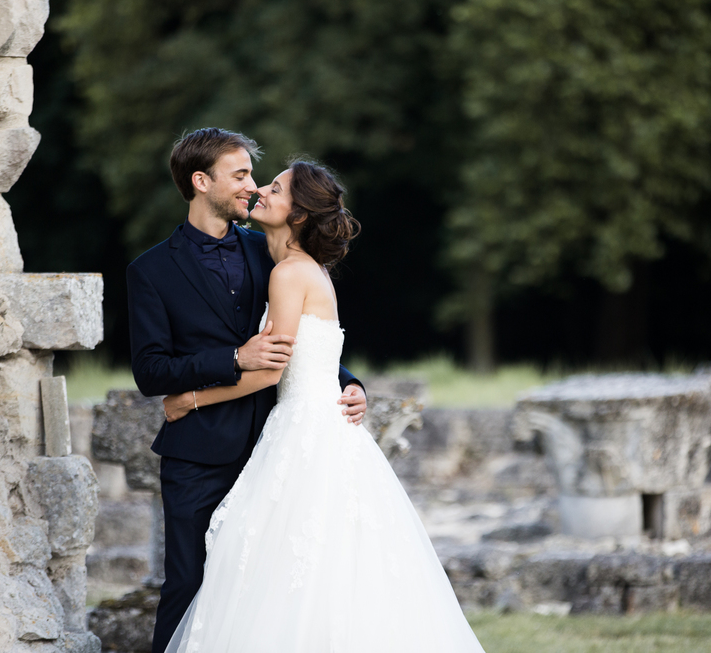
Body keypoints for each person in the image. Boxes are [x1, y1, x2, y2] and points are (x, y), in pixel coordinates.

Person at [160, 159, 487, 652]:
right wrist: (348, 385)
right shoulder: (292, 267)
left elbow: (270, 370)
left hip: (303, 430)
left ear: (298, 215)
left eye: (275, 188)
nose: (261, 191)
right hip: (316, 425)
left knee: (289, 567)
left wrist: (192, 399)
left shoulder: (290, 274)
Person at [125, 128, 368, 653]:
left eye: (256, 178)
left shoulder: (274, 253)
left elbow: (307, 340)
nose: (253, 188)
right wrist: (231, 359)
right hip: (199, 455)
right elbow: (151, 371)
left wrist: (350, 384)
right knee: (189, 586)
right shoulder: (150, 271)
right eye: (240, 176)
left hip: (279, 451)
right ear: (199, 181)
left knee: (272, 590)